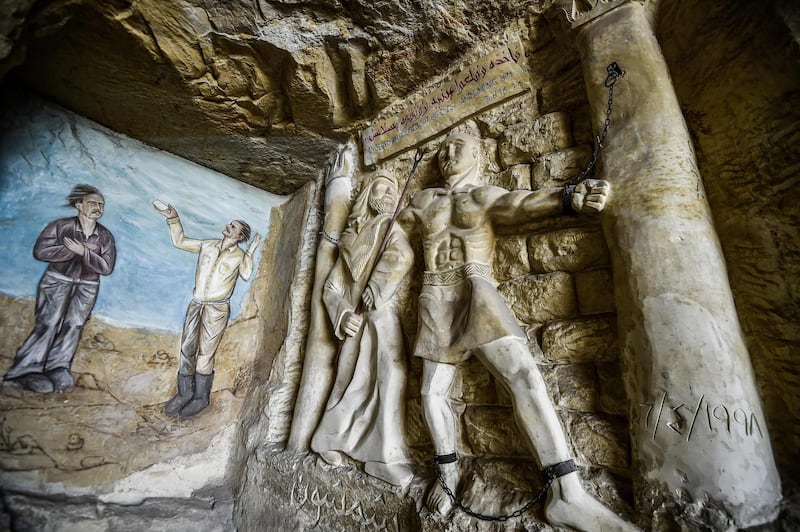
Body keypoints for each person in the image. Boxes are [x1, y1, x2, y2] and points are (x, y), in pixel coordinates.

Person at [399, 130, 635, 531]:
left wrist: (568, 197)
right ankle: (448, 473)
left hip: (476, 286)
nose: (447, 153)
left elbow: (520, 203)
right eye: (442, 149)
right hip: (434, 293)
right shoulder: (423, 200)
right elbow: (388, 237)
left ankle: (568, 494)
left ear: (478, 154)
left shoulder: (484, 195)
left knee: (524, 375)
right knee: (430, 391)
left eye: (458, 147)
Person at [310, 174, 414, 487]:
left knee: (390, 377)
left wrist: (379, 285)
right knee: (349, 382)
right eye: (382, 186)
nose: (389, 193)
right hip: (357, 322)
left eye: (394, 189)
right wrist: (342, 314)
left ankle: (384, 456)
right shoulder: (351, 240)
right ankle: (325, 439)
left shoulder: (389, 228)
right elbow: (331, 287)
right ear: (367, 193)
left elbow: (403, 256)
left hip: (380, 316)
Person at [4, 184, 116, 393]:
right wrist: (71, 250)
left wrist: (83, 251)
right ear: (79, 205)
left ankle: (58, 367)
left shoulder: (105, 236)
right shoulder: (60, 226)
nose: (98, 208)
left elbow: (106, 267)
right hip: (58, 279)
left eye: (101, 204)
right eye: (92, 203)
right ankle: (26, 370)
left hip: (88, 285)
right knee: (48, 322)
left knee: (74, 325)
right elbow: (41, 251)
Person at [155, 204, 261, 419]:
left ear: (240, 236)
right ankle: (185, 393)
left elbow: (247, 274)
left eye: (233, 227)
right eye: (230, 224)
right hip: (196, 304)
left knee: (206, 353)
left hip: (217, 308)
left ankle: (201, 398)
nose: (228, 227)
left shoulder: (239, 256)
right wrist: (173, 218)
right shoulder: (208, 245)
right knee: (187, 349)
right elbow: (180, 241)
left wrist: (250, 251)